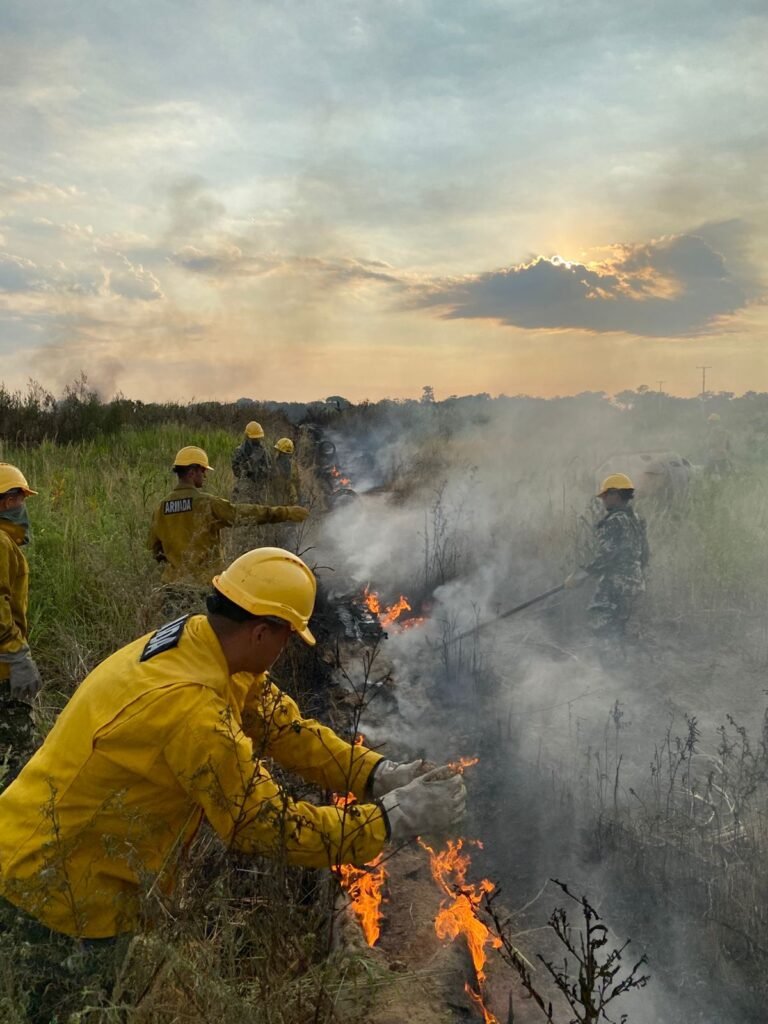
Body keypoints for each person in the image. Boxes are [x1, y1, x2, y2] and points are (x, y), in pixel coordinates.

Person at [0, 547, 465, 949]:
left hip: (53, 855)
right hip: (53, 890)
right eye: (288, 637)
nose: (289, 649)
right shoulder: (192, 709)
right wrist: (390, 818)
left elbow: (286, 729)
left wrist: (378, 774)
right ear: (262, 631)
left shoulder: (206, 643)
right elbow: (264, 824)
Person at [148, 445, 309, 590]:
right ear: (192, 472)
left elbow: (155, 550)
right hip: (202, 587)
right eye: (203, 470)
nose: (205, 475)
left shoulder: (161, 508)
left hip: (172, 588)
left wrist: (177, 566)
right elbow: (244, 514)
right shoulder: (207, 503)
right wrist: (286, 512)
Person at [565, 473, 649, 647]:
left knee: (600, 622)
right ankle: (627, 667)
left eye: (605, 496)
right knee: (623, 628)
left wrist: (581, 576)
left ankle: (606, 667)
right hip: (637, 582)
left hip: (615, 583)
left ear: (615, 495)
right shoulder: (637, 520)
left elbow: (607, 556)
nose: (603, 501)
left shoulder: (613, 522)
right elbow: (645, 554)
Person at [0, 463, 42, 788]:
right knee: (19, 760)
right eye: (19, 499)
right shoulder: (0, 542)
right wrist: (18, 655)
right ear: (4, 501)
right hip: (3, 671)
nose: (23, 507)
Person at [232, 421, 272, 502]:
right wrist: (252, 460)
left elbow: (269, 471)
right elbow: (237, 472)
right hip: (244, 492)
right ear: (247, 437)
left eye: (258, 438)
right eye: (254, 438)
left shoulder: (263, 451)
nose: (257, 440)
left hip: (261, 492)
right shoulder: (239, 451)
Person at [272, 437, 300, 504]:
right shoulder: (276, 463)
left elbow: (296, 484)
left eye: (278, 451)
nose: (277, 452)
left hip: (284, 501)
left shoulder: (290, 467)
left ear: (282, 452)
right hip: (279, 498)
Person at [705, 413, 732, 477]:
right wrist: (726, 451)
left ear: (713, 422)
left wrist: (707, 446)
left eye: (710, 421)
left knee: (708, 473)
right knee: (723, 473)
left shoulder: (713, 430)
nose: (709, 423)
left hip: (713, 454)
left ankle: (709, 484)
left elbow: (711, 443)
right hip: (723, 455)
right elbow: (728, 444)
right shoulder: (725, 431)